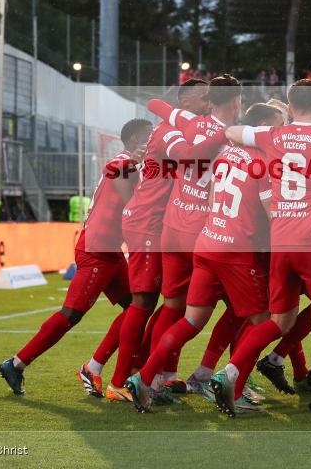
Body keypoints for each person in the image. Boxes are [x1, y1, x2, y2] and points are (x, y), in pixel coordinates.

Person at [211, 80, 311, 422]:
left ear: (290, 106)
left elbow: (234, 132)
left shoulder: (272, 136)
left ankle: (231, 371)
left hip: (281, 242)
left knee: (280, 320)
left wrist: (251, 131)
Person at [125, 103, 285, 414]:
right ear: (261, 126)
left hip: (207, 242)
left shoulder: (225, 155)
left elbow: (212, 197)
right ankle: (233, 387)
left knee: (190, 319)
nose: (277, 134)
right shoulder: (261, 162)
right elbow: (273, 215)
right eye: (276, 127)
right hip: (236, 252)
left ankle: (145, 378)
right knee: (263, 320)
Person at [0, 118, 153, 397]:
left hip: (110, 251)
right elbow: (114, 167)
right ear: (132, 141)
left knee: (137, 308)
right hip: (95, 252)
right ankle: (16, 364)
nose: (151, 141)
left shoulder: (134, 167)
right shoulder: (122, 161)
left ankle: (95, 367)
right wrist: (133, 158)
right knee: (71, 315)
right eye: (146, 137)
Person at [107, 78, 225, 402]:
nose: (210, 103)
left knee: (170, 304)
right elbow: (190, 155)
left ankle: (160, 373)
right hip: (148, 224)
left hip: (161, 224)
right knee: (142, 303)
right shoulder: (171, 133)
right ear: (186, 103)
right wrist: (225, 132)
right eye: (205, 98)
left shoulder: (182, 124)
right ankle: (121, 380)